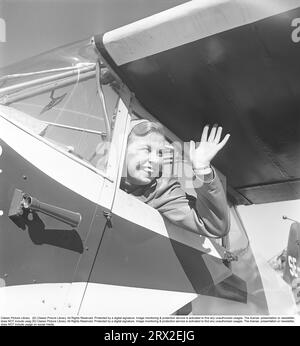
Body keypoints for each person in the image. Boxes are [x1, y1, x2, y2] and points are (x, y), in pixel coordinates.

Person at [120, 119, 230, 238]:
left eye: (160, 154)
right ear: (123, 146)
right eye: (147, 149)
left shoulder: (162, 192)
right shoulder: (101, 170)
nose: (156, 161)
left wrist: (202, 168)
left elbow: (216, 227)